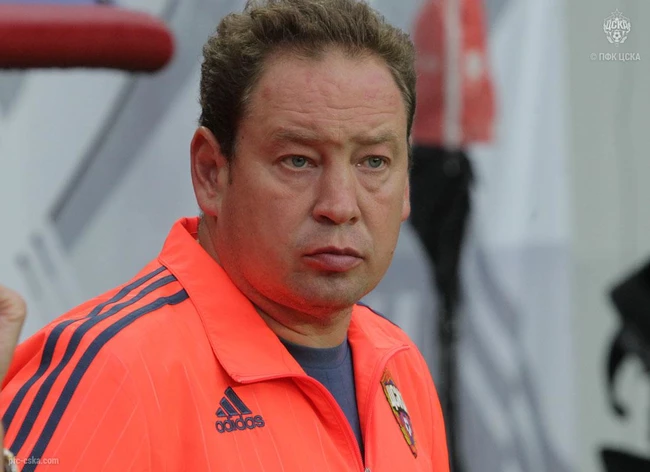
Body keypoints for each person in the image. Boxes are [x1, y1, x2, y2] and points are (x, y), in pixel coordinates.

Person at [0, 0, 449, 470]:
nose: (339, 206)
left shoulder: (399, 363)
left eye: (373, 162)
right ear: (211, 172)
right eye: (298, 160)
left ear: (405, 183)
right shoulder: (112, 370)